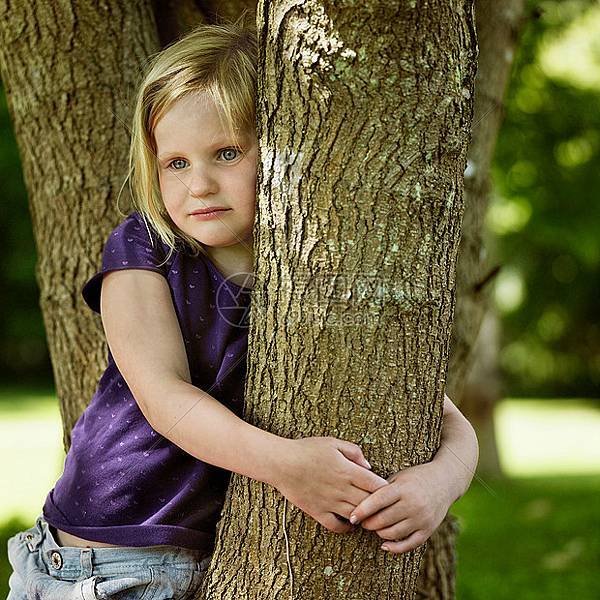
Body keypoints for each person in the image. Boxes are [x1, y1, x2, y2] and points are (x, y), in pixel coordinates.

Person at [6, 14, 479, 600]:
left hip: (199, 557)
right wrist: (286, 465)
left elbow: (444, 414)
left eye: (225, 153)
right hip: (106, 558)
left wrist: (439, 484)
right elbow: (164, 397)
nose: (198, 183)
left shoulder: (312, 271)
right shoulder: (144, 249)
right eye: (175, 163)